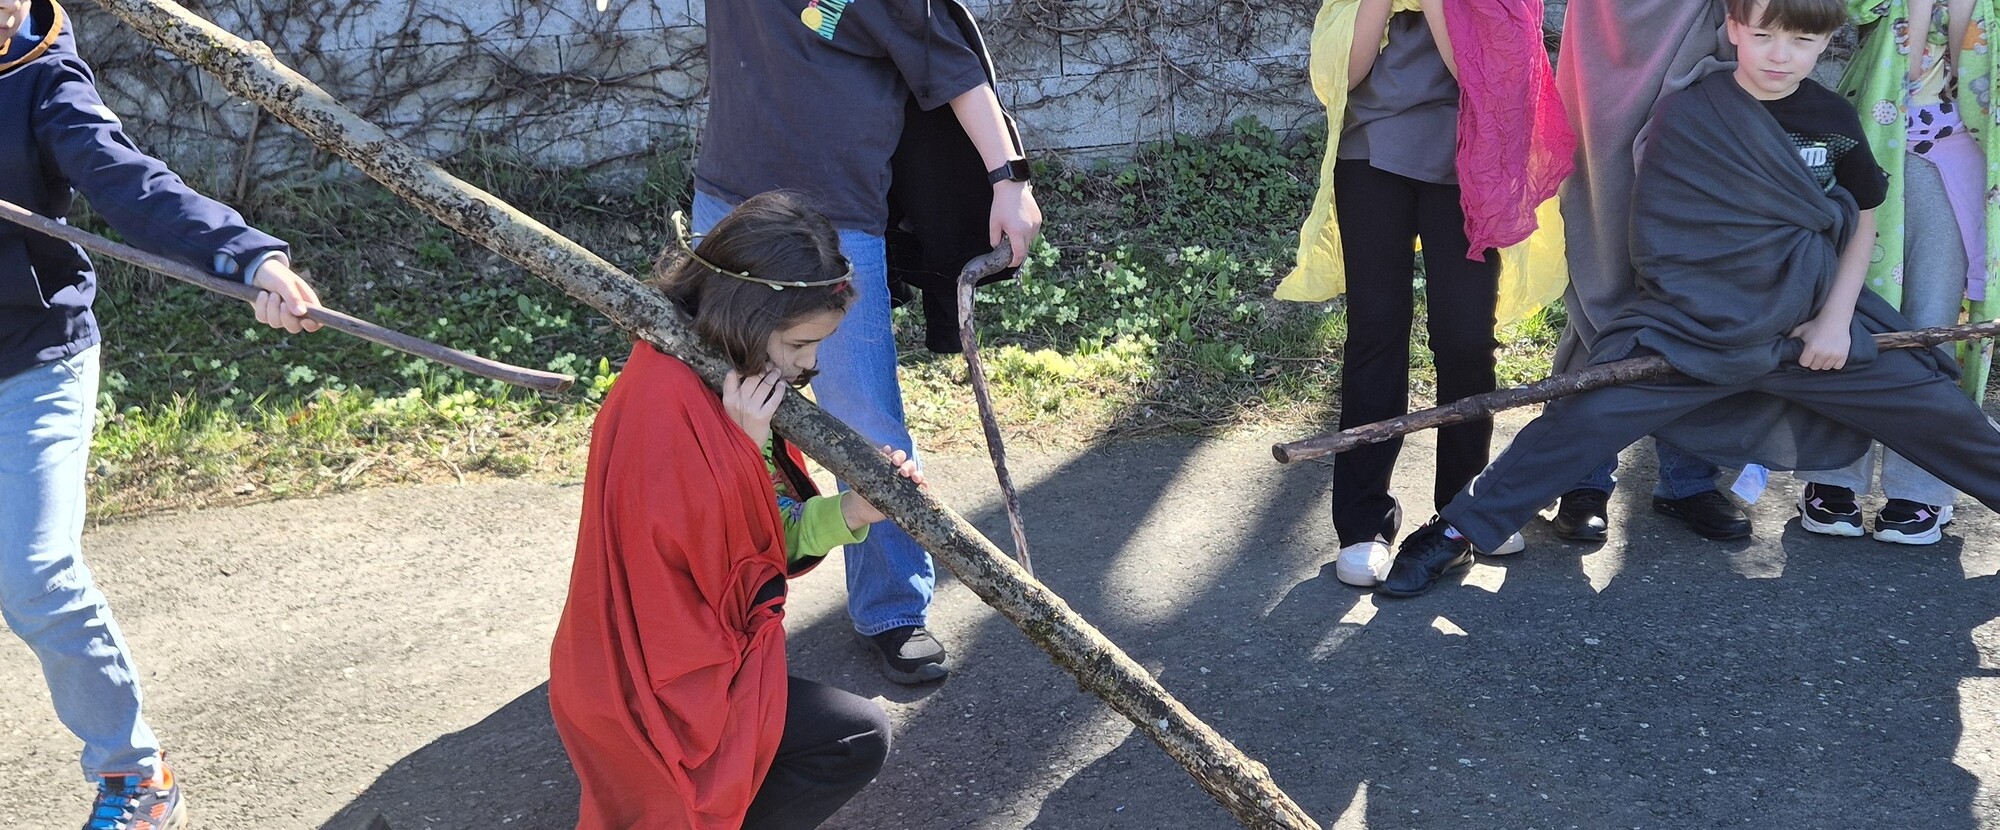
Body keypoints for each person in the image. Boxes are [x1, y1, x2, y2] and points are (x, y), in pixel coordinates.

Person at [1377, 0, 2000, 598]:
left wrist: (1835, 322)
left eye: (1801, 41)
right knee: (1585, 417)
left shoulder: (1831, 116)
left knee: (1934, 406)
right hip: (1696, 332)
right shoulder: (1690, 113)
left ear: (1826, 43)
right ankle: (1454, 531)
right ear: (1734, 28)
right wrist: (1706, 321)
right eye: (1763, 35)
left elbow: (1863, 213)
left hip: (1807, 328)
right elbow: (1660, 237)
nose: (1779, 55)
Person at [1, 1, 322, 827]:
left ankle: (135, 778)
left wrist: (248, 259)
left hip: (30, 362)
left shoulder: (39, 76)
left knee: (34, 575)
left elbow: (129, 181)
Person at [692, 0, 1043, 684]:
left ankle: (892, 607)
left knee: (863, 420)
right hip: (727, 200)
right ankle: (706, 599)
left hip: (832, 218)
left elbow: (950, 61)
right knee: (710, 406)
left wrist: (1010, 181)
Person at [549, 192, 918, 830]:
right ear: (749, 316)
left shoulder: (731, 382)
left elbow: (775, 533)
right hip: (653, 688)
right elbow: (733, 575)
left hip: (663, 666)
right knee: (853, 739)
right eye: (800, 343)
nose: (810, 364)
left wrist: (855, 510)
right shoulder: (667, 402)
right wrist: (742, 453)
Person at [1278, 0, 1572, 587]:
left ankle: (1465, 511)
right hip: (1370, 154)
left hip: (1471, 161)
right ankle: (1363, 523)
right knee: (1376, 330)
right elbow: (1341, 76)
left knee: (1465, 339)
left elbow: (1485, 75)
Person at [1547, 0, 1760, 543]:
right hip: (1606, 56)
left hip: (1701, 63)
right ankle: (1581, 477)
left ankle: (1689, 480)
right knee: (1601, 276)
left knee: (1693, 291)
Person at [1796, 0, 1997, 545]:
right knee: (1852, 312)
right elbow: (1868, 25)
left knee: (1937, 323)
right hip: (1871, 145)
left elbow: (1969, 68)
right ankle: (1832, 474)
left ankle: (1923, 487)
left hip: (1964, 158)